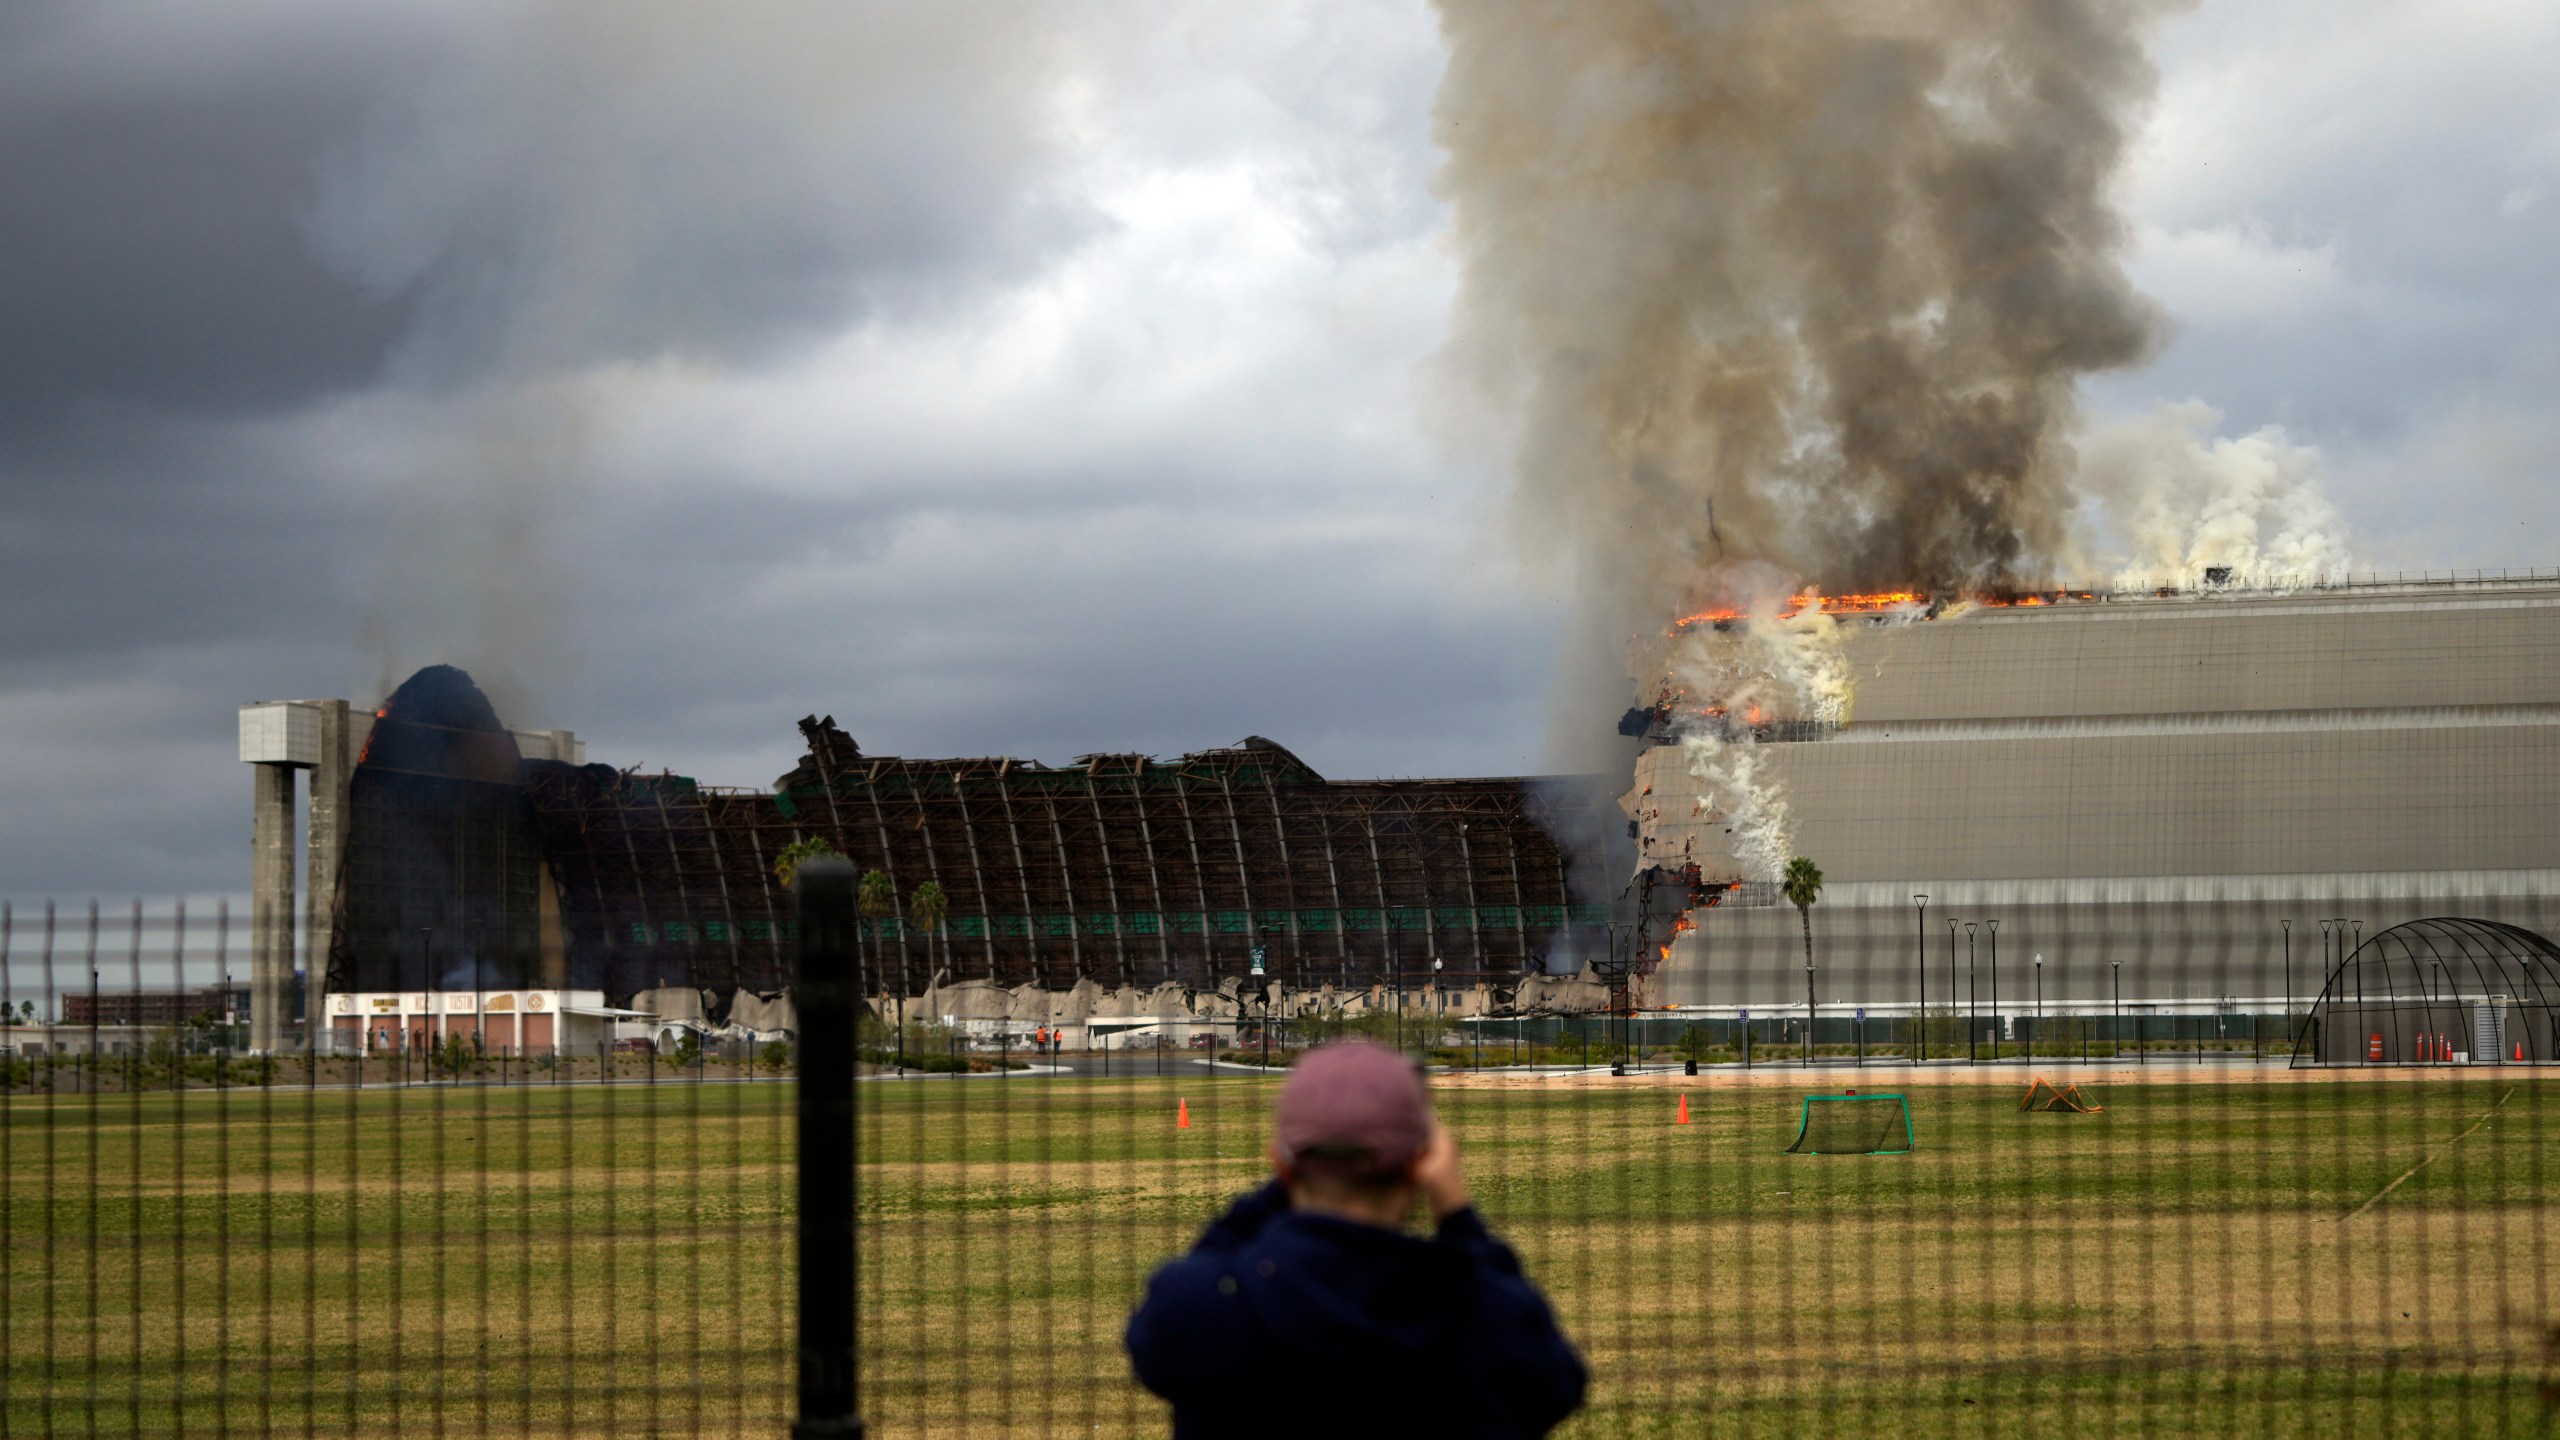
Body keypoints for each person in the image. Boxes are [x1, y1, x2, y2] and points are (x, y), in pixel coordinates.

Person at [1125, 1040, 1585, 1438]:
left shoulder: (1200, 1310)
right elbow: (1556, 1384)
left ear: (1284, 1163)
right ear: (1421, 1162)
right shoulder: (1486, 1320)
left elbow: (1157, 1336)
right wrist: (1458, 1214)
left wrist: (1289, 1175)